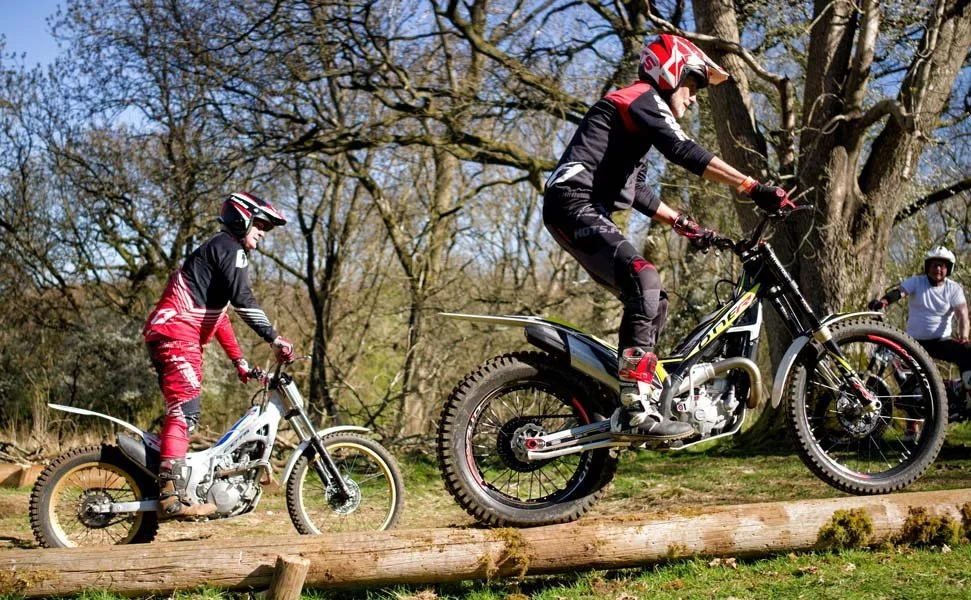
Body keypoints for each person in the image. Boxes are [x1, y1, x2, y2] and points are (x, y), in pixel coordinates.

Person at [542, 34, 793, 439]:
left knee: (654, 299)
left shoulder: (635, 125)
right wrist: (752, 186)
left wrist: (683, 224)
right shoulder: (641, 97)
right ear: (670, 72)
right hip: (574, 202)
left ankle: (632, 393)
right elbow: (684, 151)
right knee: (644, 276)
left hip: (578, 207)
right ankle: (635, 406)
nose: (692, 99)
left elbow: (637, 191)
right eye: (692, 85)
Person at [143, 191, 296, 519]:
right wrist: (273, 338)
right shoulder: (230, 248)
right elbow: (243, 299)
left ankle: (166, 478)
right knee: (185, 410)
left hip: (175, 334)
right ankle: (170, 495)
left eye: (267, 228)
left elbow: (220, 316)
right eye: (261, 225)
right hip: (176, 333)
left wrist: (239, 361)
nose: (263, 233)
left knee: (186, 411)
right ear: (242, 218)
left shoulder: (221, 250)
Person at [869, 245, 971, 409]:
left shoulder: (953, 289)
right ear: (928, 267)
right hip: (914, 343)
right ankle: (914, 419)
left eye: (942, 266)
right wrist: (883, 302)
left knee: (967, 352)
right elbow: (899, 292)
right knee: (910, 385)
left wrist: (964, 337)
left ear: (948, 268)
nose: (938, 269)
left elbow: (962, 315)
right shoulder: (917, 282)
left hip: (941, 342)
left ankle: (967, 394)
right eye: (934, 265)